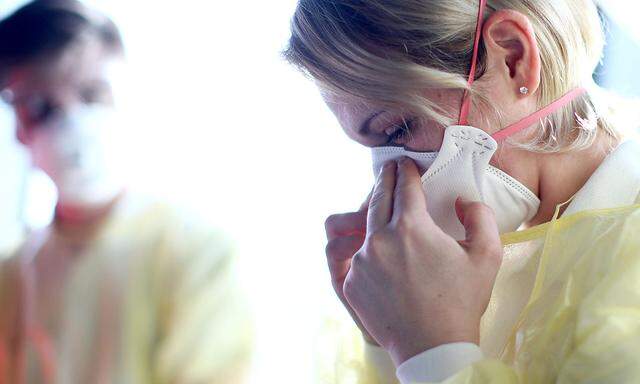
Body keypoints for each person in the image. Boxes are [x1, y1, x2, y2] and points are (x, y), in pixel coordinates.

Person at [285, 0, 640, 383]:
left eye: (398, 129)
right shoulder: (501, 257)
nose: (385, 177)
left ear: (512, 58)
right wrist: (389, 339)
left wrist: (433, 353)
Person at [0, 1, 252, 383]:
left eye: (91, 94)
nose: (73, 125)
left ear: (126, 95)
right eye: (41, 107)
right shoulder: (12, 277)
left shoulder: (196, 251)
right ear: (19, 129)